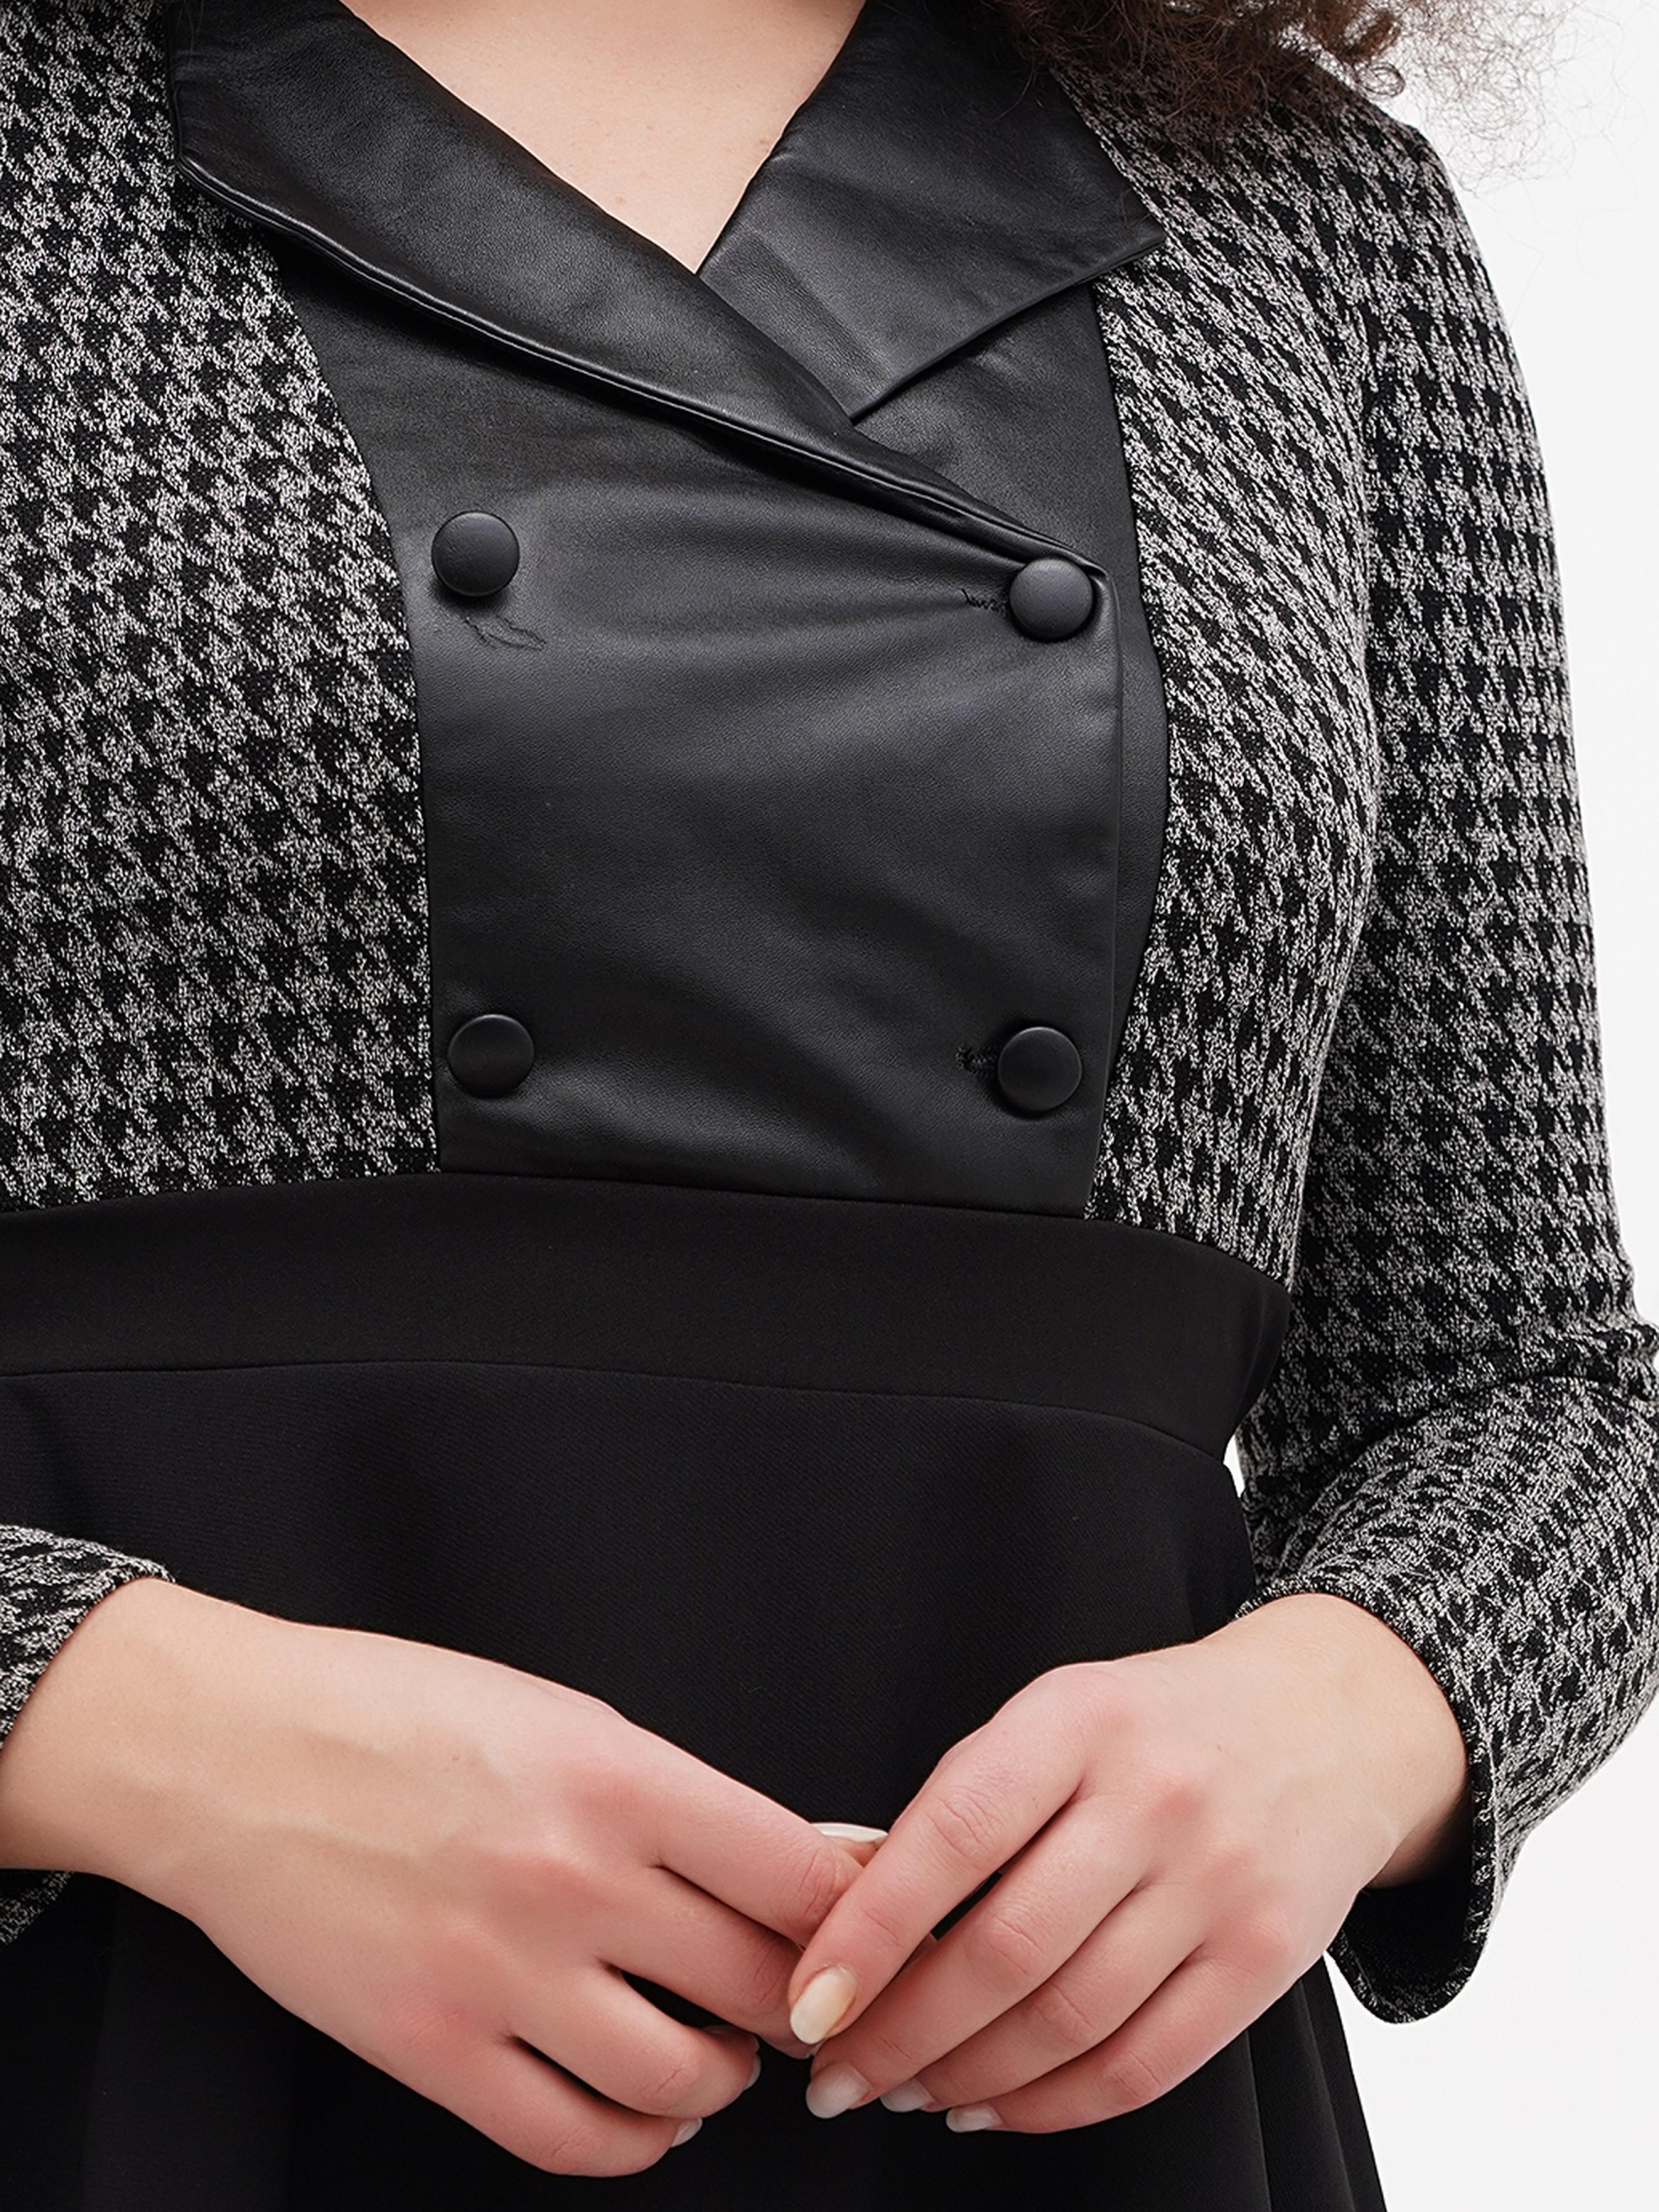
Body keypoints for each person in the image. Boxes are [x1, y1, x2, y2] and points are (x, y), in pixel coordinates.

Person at [0, 0, 1653, 2203]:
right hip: (138, 2030)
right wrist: (135, 1727)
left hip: (1060, 2088)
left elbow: (1524, 1382)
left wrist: (1350, 1713)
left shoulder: (1309, 221)